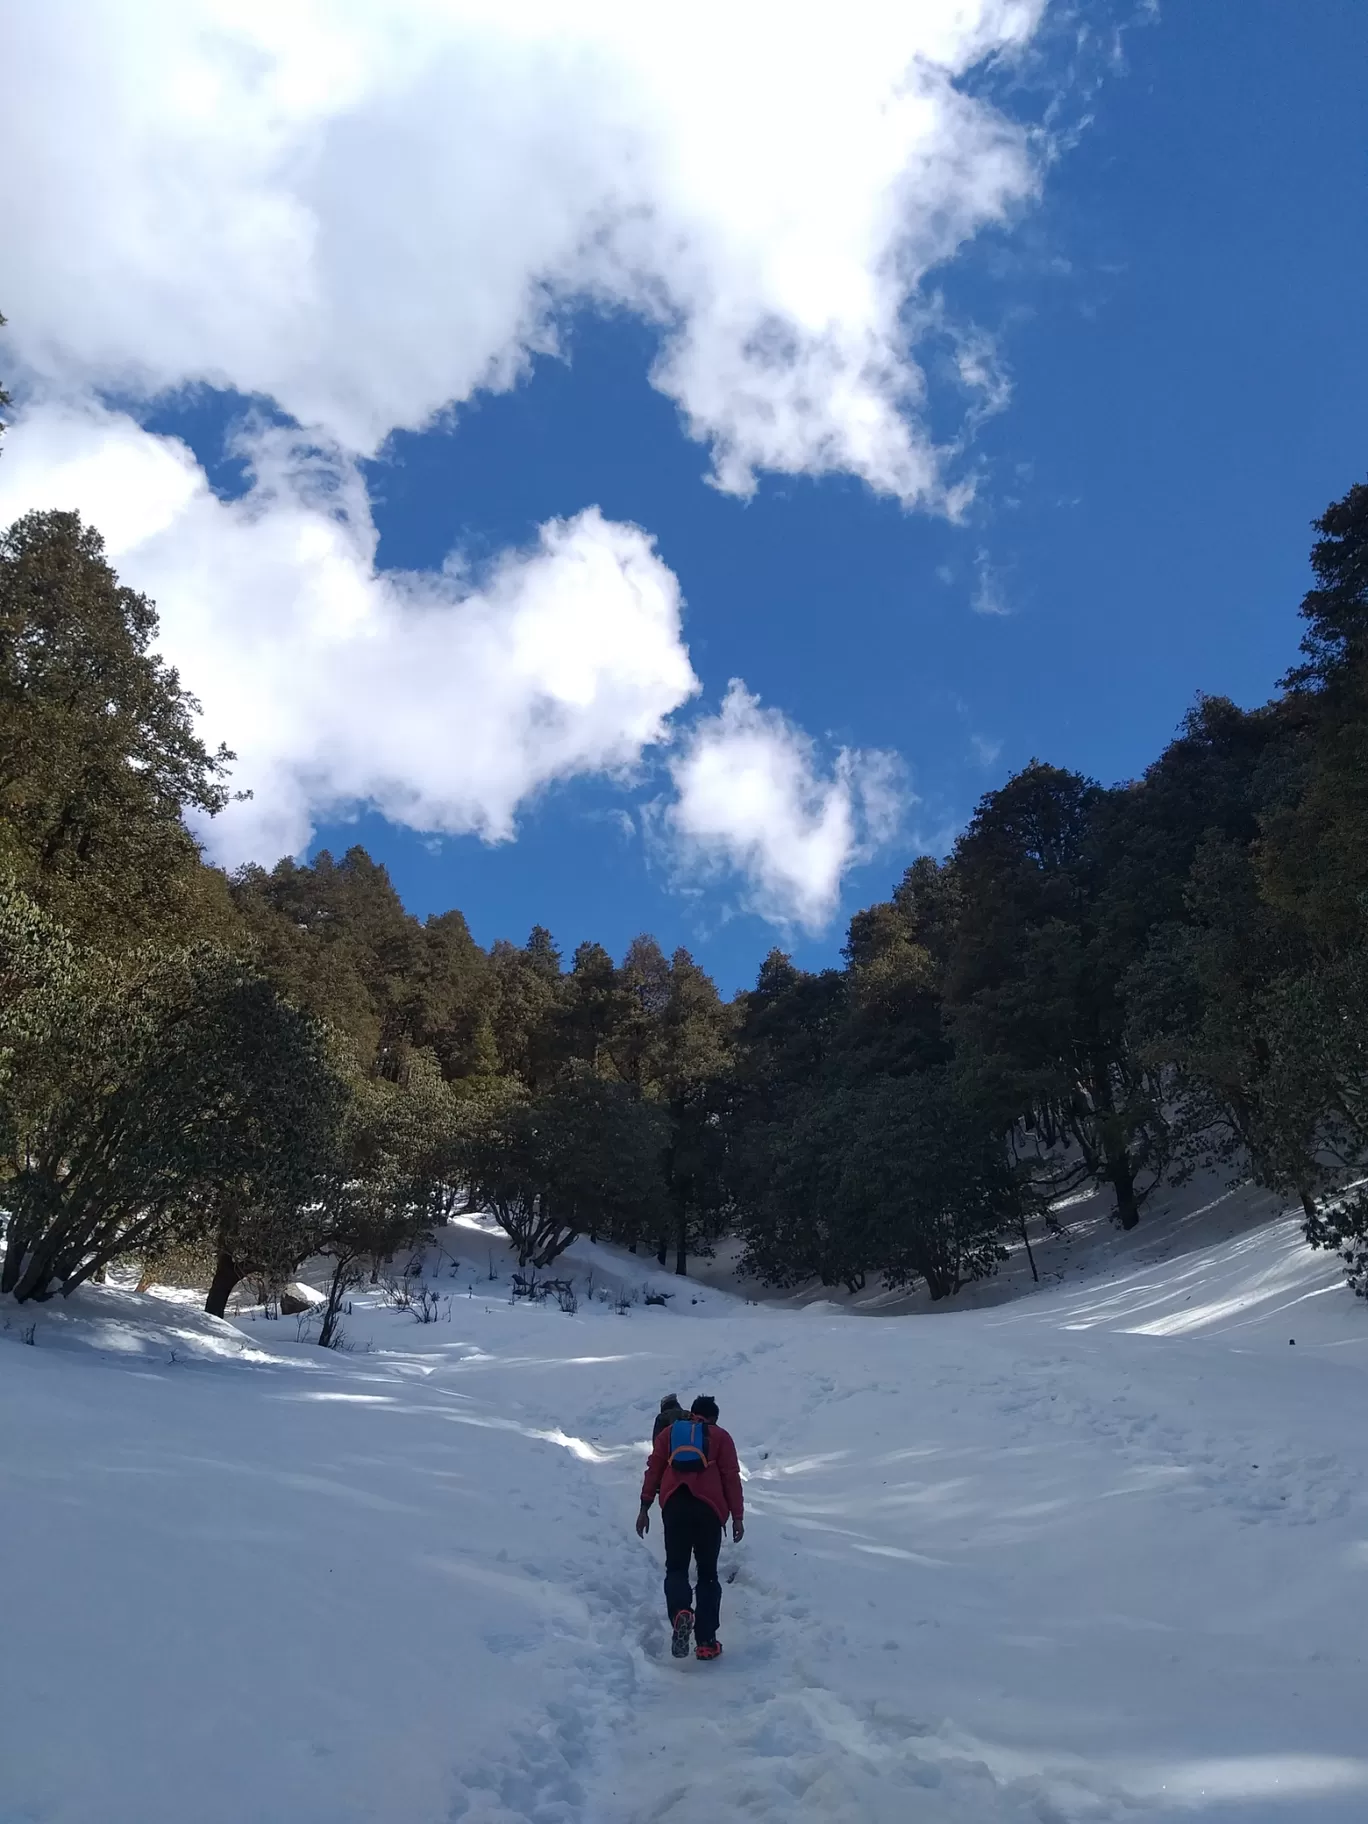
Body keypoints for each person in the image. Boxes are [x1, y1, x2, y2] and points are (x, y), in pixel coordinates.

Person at [636, 1394, 744, 1661]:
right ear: (714, 1418)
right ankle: (706, 1642)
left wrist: (644, 1508)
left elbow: (653, 1470)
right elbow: (731, 1477)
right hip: (710, 1511)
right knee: (707, 1575)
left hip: (675, 1507)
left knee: (676, 1568)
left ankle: (681, 1613)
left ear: (690, 1413)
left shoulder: (670, 1433)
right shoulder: (721, 1437)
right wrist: (738, 1517)